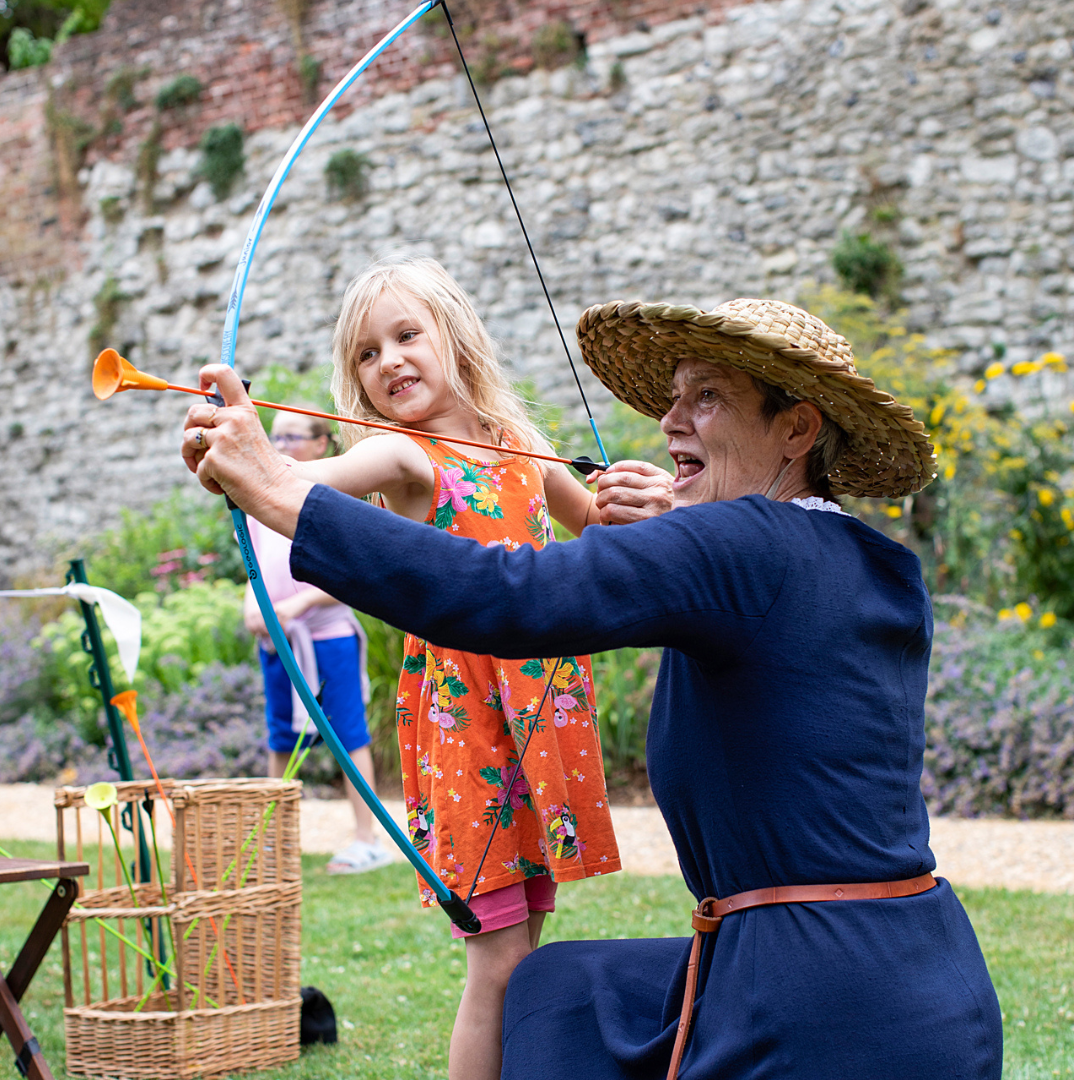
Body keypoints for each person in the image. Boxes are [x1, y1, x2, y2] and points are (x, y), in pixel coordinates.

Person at [183, 295, 1002, 1080]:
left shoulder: (736, 548)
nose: (672, 421)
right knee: (560, 987)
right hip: (924, 984)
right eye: (674, 398)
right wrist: (677, 533)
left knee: (554, 1001)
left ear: (797, 427)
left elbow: (512, 595)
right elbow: (746, 601)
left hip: (816, 1005)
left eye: (708, 398)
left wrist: (281, 489)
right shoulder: (870, 562)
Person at [235, 255, 671, 1080]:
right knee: (499, 959)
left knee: (527, 946)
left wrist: (643, 499)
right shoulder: (404, 457)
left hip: (537, 719)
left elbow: (602, 536)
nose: (390, 359)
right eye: (368, 352)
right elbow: (297, 484)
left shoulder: (518, 445)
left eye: (407, 335)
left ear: (456, 337)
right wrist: (243, 450)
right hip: (466, 727)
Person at [243, 407, 392, 874]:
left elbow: (352, 576)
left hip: (327, 639)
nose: (283, 447)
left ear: (322, 444)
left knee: (348, 734)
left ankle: (367, 840)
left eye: (294, 437)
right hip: (279, 643)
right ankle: (273, 841)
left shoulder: (331, 501)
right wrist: (255, 606)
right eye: (277, 438)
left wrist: (299, 606)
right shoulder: (261, 504)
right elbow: (255, 563)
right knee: (281, 736)